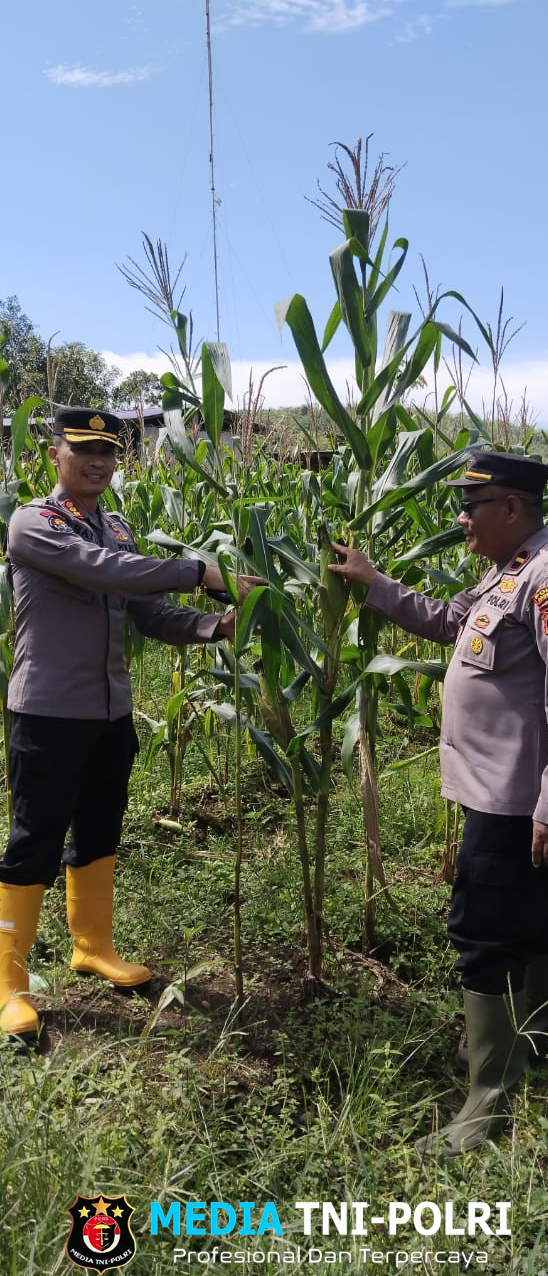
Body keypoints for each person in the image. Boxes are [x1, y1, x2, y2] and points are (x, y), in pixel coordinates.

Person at [329, 450, 548, 1155]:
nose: (462, 519)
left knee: (482, 933)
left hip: (519, 798)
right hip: (498, 792)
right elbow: (446, 622)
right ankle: (534, 1054)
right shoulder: (508, 571)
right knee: (529, 918)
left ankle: (487, 1105)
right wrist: (373, 584)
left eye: (474, 505)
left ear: (512, 507)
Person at [0, 406, 261, 1043]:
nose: (97, 462)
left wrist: (214, 626)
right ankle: (8, 981)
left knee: (98, 827)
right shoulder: (34, 523)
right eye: (84, 448)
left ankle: (91, 947)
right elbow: (107, 572)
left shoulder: (116, 527)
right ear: (55, 453)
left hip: (109, 711)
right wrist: (203, 572)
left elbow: (149, 611)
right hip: (47, 710)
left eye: (108, 453)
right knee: (34, 837)